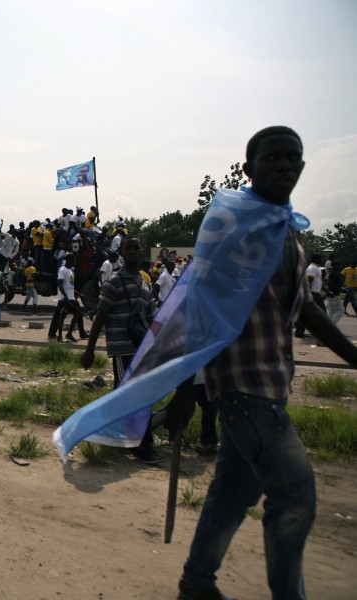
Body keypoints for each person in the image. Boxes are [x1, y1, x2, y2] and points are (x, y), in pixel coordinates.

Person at [170, 126, 357, 600]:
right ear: (249, 168)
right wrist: (182, 388)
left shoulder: (285, 229)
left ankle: (197, 582)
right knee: (295, 494)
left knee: (234, 493)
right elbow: (199, 304)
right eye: (272, 157)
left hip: (271, 380)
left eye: (292, 158)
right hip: (241, 383)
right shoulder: (233, 226)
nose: (284, 165)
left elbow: (308, 309)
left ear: (302, 167)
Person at [80, 237, 161, 464]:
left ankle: (122, 436)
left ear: (141, 251)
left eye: (136, 248)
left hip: (140, 350)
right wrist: (90, 350)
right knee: (134, 396)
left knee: (128, 396)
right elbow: (99, 318)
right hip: (122, 349)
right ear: (122, 252)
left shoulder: (144, 284)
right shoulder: (114, 282)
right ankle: (143, 447)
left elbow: (152, 320)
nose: (133, 252)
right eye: (129, 248)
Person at [48, 254, 88, 342]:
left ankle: (77, 333)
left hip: (71, 298)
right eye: (74, 260)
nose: (75, 262)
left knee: (78, 313)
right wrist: (65, 296)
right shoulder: (63, 270)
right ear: (69, 260)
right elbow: (59, 284)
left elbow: (71, 285)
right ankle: (59, 335)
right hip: (64, 299)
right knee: (61, 316)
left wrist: (79, 294)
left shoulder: (70, 270)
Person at [326, 259, 344, 325]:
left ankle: (326, 326)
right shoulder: (334, 273)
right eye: (339, 265)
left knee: (331, 312)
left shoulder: (334, 273)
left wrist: (342, 288)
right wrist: (340, 289)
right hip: (334, 294)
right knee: (340, 311)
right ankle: (331, 327)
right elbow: (329, 284)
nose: (341, 266)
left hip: (332, 294)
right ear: (335, 265)